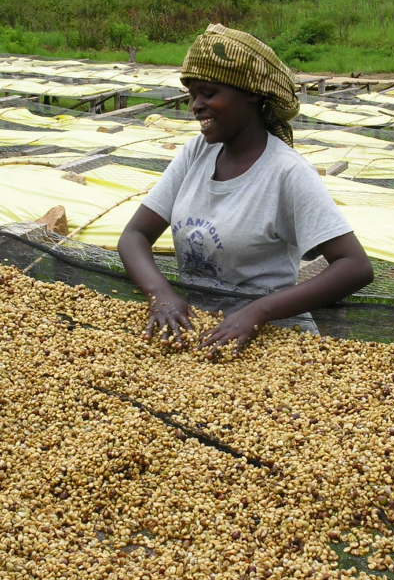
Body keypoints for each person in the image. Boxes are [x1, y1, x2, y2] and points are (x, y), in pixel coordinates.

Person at [117, 24, 374, 356]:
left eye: (208, 94)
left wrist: (258, 311)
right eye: (193, 95)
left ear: (251, 93)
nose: (196, 105)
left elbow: (354, 266)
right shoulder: (197, 152)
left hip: (271, 340)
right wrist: (160, 293)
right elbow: (134, 235)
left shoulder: (287, 173)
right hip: (198, 331)